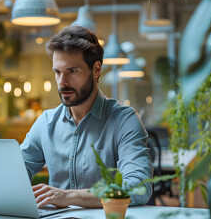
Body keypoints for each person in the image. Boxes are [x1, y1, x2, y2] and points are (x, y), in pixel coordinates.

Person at [20, 26, 152, 208]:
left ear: (96, 70)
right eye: (57, 72)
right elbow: (14, 174)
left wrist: (68, 196)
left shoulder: (125, 121)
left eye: (72, 71)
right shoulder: (46, 123)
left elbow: (139, 188)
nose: (62, 82)